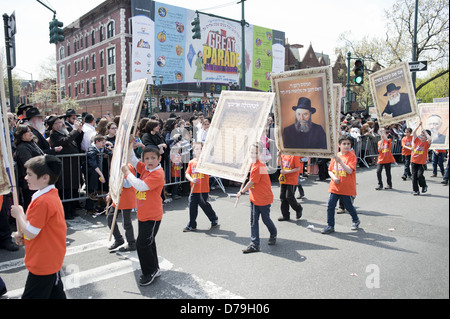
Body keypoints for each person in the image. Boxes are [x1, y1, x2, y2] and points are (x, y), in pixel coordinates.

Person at [11, 155, 67, 299]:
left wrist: (19, 215)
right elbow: (35, 229)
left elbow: (31, 232)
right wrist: (22, 232)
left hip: (43, 261)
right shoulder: (48, 196)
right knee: (56, 294)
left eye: (30, 175)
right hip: (49, 257)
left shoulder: (43, 201)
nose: (26, 178)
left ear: (44, 178)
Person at [121, 145, 165, 286]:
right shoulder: (146, 168)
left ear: (159, 158)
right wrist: (130, 145)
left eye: (153, 158)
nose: (149, 161)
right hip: (143, 213)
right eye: (146, 158)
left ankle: (149, 272)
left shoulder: (157, 173)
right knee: (148, 242)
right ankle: (154, 269)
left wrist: (127, 173)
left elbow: (140, 186)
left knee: (142, 244)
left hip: (152, 215)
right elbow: (133, 159)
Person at [237, 142, 277, 254]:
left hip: (263, 198)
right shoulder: (254, 164)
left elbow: (251, 182)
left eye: (255, 152)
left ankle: (273, 232)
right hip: (254, 198)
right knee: (254, 221)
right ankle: (255, 244)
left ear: (259, 153)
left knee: (265, 219)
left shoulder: (259, 166)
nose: (252, 154)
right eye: (251, 152)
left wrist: (242, 191)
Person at [321, 135, 360, 234]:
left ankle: (355, 220)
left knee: (348, 206)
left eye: (348, 144)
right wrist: (334, 178)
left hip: (346, 187)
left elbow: (350, 170)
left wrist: (341, 162)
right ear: (339, 145)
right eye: (344, 144)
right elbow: (330, 170)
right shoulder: (335, 155)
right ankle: (330, 226)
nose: (346, 146)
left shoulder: (352, 156)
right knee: (330, 206)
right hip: (335, 186)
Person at [48, 115, 84, 219]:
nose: (62, 123)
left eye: (61, 121)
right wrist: (74, 130)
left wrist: (79, 131)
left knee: (74, 188)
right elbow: (64, 141)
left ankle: (72, 210)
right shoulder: (55, 135)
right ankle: (66, 212)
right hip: (65, 167)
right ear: (54, 127)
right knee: (66, 189)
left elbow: (77, 142)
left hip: (73, 165)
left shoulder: (66, 132)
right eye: (58, 122)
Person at [184, 142, 219, 232]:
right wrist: (191, 179)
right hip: (194, 189)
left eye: (201, 149)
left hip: (203, 189)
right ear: (194, 151)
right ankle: (192, 224)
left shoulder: (205, 162)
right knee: (192, 206)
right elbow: (187, 174)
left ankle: (213, 218)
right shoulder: (191, 162)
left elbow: (211, 170)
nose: (199, 151)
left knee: (204, 205)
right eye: (197, 149)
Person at [14, 125, 46, 210]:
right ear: (21, 135)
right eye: (28, 131)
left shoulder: (31, 143)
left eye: (30, 131)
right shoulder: (22, 147)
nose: (31, 133)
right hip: (30, 181)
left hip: (37, 178)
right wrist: (42, 159)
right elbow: (28, 163)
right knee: (32, 206)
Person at [106, 164, 137, 252]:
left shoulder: (128, 166)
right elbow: (112, 182)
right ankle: (119, 239)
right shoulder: (115, 165)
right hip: (117, 198)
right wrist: (110, 194)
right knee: (110, 218)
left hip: (126, 197)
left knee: (126, 222)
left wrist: (120, 179)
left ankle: (131, 243)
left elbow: (128, 184)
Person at [86, 135, 113, 213]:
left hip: (98, 170)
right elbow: (93, 164)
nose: (104, 144)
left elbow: (112, 154)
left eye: (105, 142)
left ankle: (97, 205)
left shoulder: (103, 148)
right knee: (91, 189)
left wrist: (111, 146)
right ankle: (89, 208)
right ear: (97, 141)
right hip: (91, 171)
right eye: (102, 142)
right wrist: (101, 175)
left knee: (99, 186)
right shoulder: (91, 149)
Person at [277, 152, 303, 221]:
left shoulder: (294, 155)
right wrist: (278, 156)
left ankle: (298, 208)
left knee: (289, 197)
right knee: (282, 197)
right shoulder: (283, 154)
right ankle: (285, 215)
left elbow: (298, 168)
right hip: (284, 179)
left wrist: (287, 172)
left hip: (292, 179)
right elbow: (278, 164)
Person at [411, 124, 432, 196]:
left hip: (421, 163)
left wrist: (425, 131)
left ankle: (424, 185)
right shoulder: (417, 140)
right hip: (413, 161)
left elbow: (430, 139)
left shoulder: (426, 143)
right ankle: (415, 190)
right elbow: (413, 132)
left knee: (420, 175)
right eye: (421, 135)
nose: (421, 136)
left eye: (423, 136)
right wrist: (419, 126)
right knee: (414, 177)